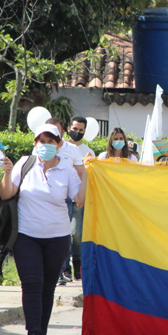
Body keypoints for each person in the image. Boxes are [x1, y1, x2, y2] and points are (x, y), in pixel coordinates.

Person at [0, 124, 82, 335]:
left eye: (51, 141)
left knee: (47, 288)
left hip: (57, 238)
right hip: (26, 236)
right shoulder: (25, 164)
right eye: (41, 141)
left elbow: (79, 200)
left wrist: (85, 175)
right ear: (35, 143)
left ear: (59, 144)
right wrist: (7, 173)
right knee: (32, 284)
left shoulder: (66, 170)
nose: (46, 145)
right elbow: (7, 194)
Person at [38, 117, 86, 283]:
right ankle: (56, 270)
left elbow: (80, 172)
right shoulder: (38, 150)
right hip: (43, 199)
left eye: (54, 133)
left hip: (66, 197)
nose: (48, 141)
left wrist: (67, 181)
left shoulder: (72, 150)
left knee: (69, 233)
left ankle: (64, 269)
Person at [66, 116, 94, 280]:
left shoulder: (88, 151)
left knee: (76, 233)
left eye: (81, 130)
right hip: (61, 197)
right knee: (63, 234)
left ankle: (77, 263)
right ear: (69, 128)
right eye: (75, 129)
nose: (77, 132)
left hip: (78, 198)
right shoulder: (61, 147)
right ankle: (65, 269)